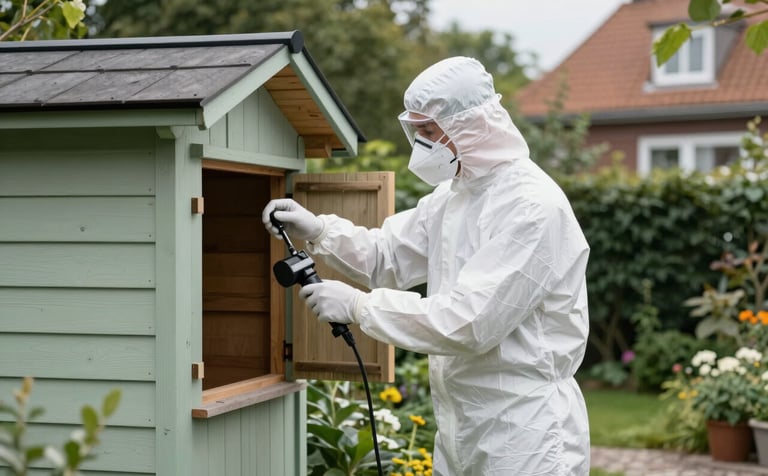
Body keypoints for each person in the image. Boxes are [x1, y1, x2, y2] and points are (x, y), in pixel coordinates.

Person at [262, 56, 590, 475]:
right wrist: (318, 230)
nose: (421, 145)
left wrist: (360, 308)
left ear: (471, 124)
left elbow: (469, 322)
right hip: (462, 426)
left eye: (430, 131)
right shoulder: (455, 195)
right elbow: (386, 256)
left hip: (525, 434)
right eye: (417, 131)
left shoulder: (531, 206)